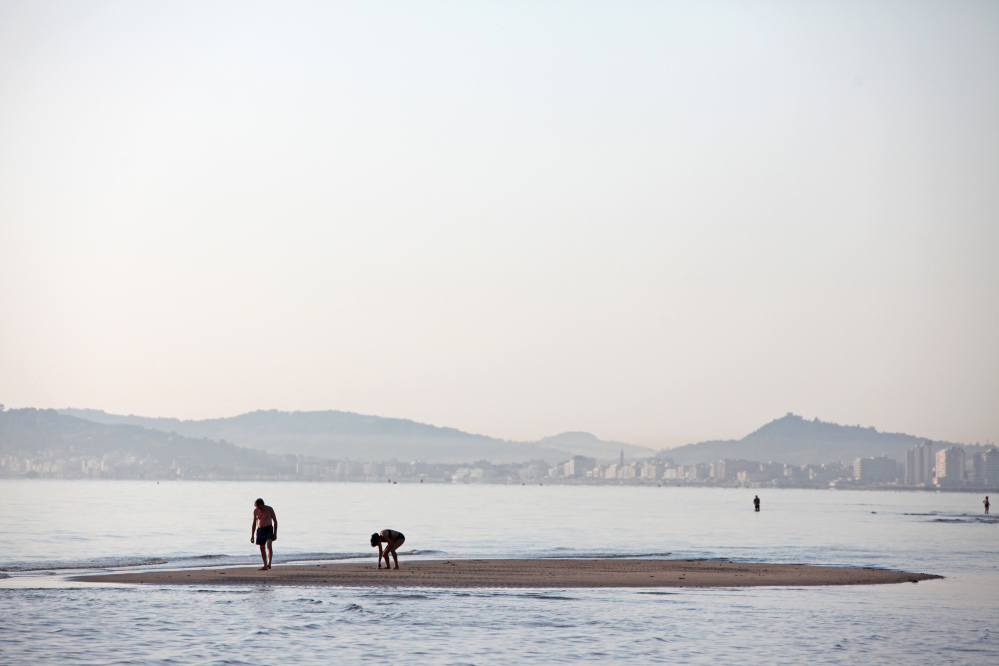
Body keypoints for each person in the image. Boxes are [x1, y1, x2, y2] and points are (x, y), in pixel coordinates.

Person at [251, 498, 278, 570]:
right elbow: (254, 523)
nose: (260, 509)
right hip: (260, 530)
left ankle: (269, 563)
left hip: (269, 528)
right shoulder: (255, 511)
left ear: (263, 504)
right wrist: (252, 535)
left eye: (261, 507)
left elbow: (275, 521)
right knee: (262, 548)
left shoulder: (269, 509)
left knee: (269, 544)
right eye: (258, 508)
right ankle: (265, 565)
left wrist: (275, 533)